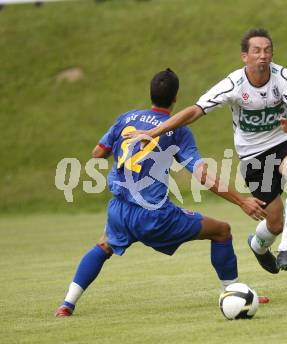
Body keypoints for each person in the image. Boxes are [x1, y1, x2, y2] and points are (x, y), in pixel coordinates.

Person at [55, 69, 267, 317]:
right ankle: (233, 293)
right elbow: (201, 175)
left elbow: (97, 153)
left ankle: (67, 304)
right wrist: (241, 201)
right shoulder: (177, 131)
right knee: (221, 231)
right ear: (175, 98)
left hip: (119, 209)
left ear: (151, 94)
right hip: (154, 215)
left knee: (103, 246)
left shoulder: (127, 118)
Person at [124, 29, 287, 275]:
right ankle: (258, 246)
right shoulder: (234, 84)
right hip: (253, 155)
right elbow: (194, 111)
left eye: (267, 50)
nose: (263, 55)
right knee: (274, 222)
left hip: (284, 141)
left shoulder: (282, 76)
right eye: (256, 51)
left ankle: (286, 250)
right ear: (245, 56)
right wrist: (155, 131)